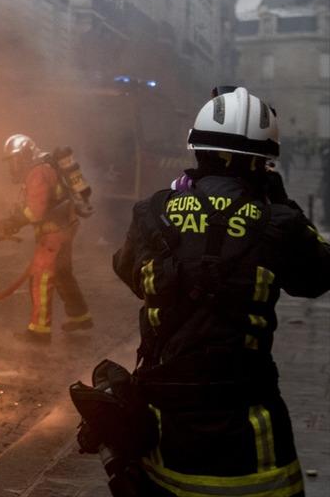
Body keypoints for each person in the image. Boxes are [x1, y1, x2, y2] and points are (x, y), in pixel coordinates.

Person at [113, 86, 330, 495]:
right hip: (250, 432)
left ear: (197, 149)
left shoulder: (152, 212)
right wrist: (284, 204)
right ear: (263, 163)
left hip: (163, 428)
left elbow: (128, 273)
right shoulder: (277, 222)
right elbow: (317, 276)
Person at [0, 134, 92, 342]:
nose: (14, 165)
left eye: (16, 159)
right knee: (63, 271)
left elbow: (36, 211)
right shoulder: (44, 165)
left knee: (42, 276)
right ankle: (80, 315)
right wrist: (15, 219)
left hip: (54, 230)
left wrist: (14, 222)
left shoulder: (37, 172)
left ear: (26, 155)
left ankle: (39, 332)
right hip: (66, 224)